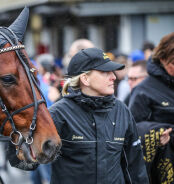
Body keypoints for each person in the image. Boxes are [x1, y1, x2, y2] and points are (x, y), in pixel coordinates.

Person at [49, 48, 149, 184]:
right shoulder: (58, 113)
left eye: (112, 71)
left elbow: (134, 167)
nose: (113, 76)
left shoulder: (121, 110)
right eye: (105, 72)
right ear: (85, 78)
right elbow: (28, 161)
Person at [129, 32, 174, 183]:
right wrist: (157, 135)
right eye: (173, 63)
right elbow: (133, 129)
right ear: (162, 60)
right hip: (163, 166)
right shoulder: (144, 90)